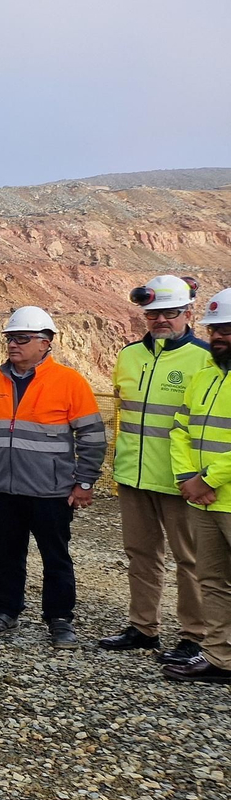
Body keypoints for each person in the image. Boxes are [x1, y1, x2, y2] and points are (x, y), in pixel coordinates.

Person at [0, 306, 106, 647]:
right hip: (4, 489)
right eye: (9, 338)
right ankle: (6, 610)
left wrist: (85, 482)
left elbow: (91, 437)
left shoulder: (69, 382)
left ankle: (60, 619)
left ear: (45, 343)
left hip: (51, 491)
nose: (12, 345)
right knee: (7, 554)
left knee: (56, 556)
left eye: (21, 338)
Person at [100, 276, 212, 663]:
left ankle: (196, 636)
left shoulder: (205, 357)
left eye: (170, 312)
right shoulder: (129, 356)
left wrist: (199, 477)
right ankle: (143, 627)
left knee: (191, 560)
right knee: (140, 554)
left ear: (188, 313)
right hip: (133, 474)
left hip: (182, 481)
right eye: (153, 313)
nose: (161, 319)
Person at [166, 288, 231, 683]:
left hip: (218, 493)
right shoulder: (205, 376)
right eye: (215, 330)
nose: (218, 336)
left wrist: (206, 479)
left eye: (227, 329)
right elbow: (180, 429)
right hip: (205, 501)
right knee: (214, 582)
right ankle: (221, 658)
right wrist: (187, 479)